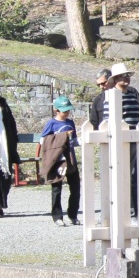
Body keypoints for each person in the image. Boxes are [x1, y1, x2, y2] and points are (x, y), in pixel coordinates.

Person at [104, 62, 139, 218]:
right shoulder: (112, 95)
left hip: (135, 138)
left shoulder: (133, 94)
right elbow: (108, 119)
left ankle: (135, 210)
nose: (126, 78)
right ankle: (123, 210)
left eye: (127, 75)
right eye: (122, 76)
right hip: (120, 139)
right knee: (122, 175)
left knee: (135, 175)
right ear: (115, 79)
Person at [39, 95, 80, 227]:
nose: (67, 113)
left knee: (75, 188)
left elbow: (74, 141)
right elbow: (43, 141)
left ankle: (73, 215)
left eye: (68, 110)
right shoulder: (51, 123)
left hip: (70, 159)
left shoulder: (70, 123)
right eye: (64, 110)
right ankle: (57, 216)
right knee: (57, 189)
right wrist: (62, 137)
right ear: (56, 110)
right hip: (57, 161)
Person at [0, 90, 21, 217]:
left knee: (4, 179)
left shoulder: (4, 106)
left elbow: (12, 125)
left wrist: (13, 143)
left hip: (4, 150)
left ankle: (0, 204)